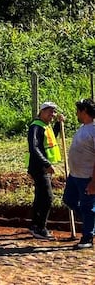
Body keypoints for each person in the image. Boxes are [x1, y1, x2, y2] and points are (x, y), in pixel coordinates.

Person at [27, 101, 65, 240]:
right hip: (39, 167)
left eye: (54, 112)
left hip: (43, 167)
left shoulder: (45, 126)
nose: (52, 115)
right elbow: (34, 148)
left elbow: (51, 139)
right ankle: (40, 228)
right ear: (42, 112)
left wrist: (58, 125)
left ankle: (35, 225)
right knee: (48, 197)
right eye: (50, 112)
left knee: (40, 197)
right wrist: (46, 163)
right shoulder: (36, 127)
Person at [63, 98, 95, 249]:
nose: (76, 113)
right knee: (69, 200)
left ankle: (88, 237)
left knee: (88, 208)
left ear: (84, 112)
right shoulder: (83, 127)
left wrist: (93, 182)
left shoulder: (94, 130)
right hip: (74, 175)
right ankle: (91, 225)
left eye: (78, 110)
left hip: (87, 177)